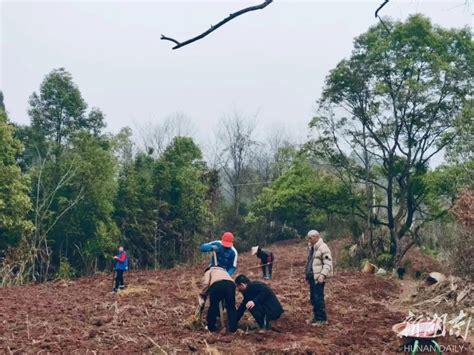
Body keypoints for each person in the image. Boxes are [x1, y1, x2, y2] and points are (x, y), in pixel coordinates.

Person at [305, 230, 333, 326]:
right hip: (312, 277)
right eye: (308, 238)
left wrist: (322, 275)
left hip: (318, 278)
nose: (309, 239)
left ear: (317, 237)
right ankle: (316, 317)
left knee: (318, 298)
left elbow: (328, 263)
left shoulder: (323, 248)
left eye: (311, 237)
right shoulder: (312, 248)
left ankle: (322, 319)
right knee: (313, 298)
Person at [200, 266, 238, 333]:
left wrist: (203, 294)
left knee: (213, 306)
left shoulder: (209, 271)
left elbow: (206, 283)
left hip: (217, 285)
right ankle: (233, 328)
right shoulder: (224, 271)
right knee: (231, 307)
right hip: (231, 285)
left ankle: (211, 327)